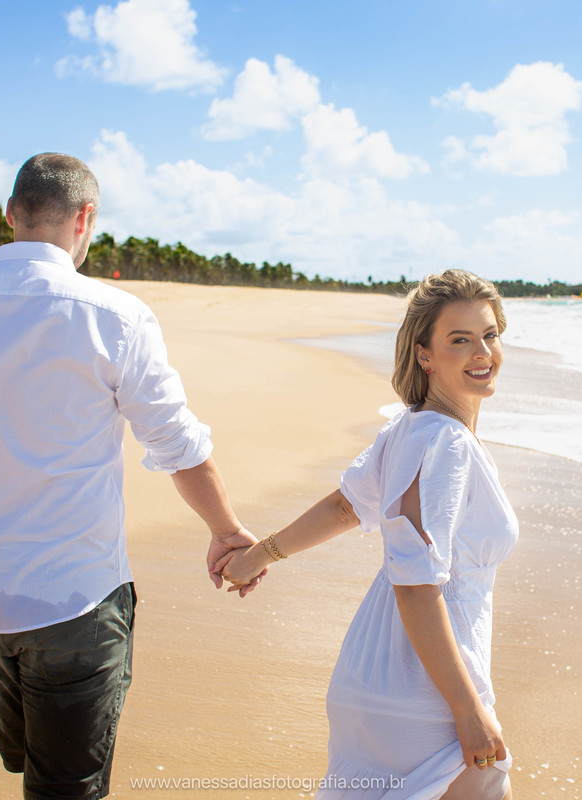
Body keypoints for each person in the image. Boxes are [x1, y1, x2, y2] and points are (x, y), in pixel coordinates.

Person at [0, 153, 262, 800]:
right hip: (77, 602)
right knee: (66, 786)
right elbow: (177, 443)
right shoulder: (116, 316)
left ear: (11, 214)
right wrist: (227, 532)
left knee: (37, 769)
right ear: (85, 218)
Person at [218, 269, 518, 800]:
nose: (482, 352)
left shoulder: (409, 427)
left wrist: (259, 555)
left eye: (490, 335)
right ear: (425, 354)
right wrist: (467, 709)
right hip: (424, 694)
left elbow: (344, 507)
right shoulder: (446, 443)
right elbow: (415, 583)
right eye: (460, 339)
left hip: (375, 674)